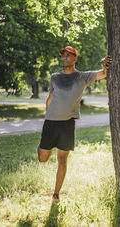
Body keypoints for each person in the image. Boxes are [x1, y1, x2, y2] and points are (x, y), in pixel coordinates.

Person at [37, 46, 112, 202]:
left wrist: (103, 64)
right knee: (43, 158)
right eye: (63, 55)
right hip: (51, 122)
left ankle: (56, 194)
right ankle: (43, 144)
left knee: (62, 160)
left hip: (67, 124)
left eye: (68, 55)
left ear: (75, 58)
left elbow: (103, 74)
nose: (65, 58)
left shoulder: (82, 77)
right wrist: (47, 116)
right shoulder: (55, 77)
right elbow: (50, 98)